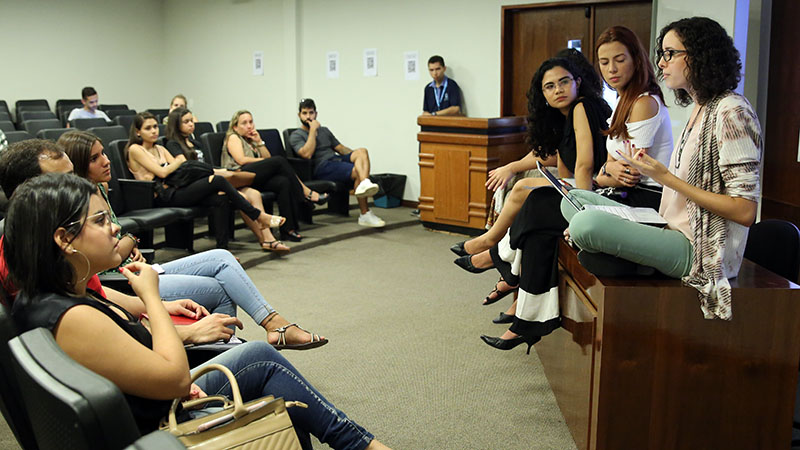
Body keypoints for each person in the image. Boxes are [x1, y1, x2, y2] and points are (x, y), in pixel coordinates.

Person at [5, 173, 390, 450]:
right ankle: (362, 445)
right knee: (262, 360)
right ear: (63, 239)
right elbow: (172, 379)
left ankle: (359, 444)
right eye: (101, 221)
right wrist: (153, 298)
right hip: (164, 429)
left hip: (150, 408)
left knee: (261, 362)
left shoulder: (54, 295)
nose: (113, 230)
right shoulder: (73, 318)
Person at [478, 27, 676, 351]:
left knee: (539, 205)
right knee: (540, 213)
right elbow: (609, 169)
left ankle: (505, 271)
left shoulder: (642, 103)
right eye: (604, 62)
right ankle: (528, 315)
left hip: (645, 201)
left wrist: (606, 172)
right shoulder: (626, 101)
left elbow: (626, 175)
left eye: (619, 60)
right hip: (625, 193)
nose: (611, 69)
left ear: (636, 60)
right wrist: (608, 171)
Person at [563, 16, 761, 321]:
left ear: (698, 55)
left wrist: (665, 178)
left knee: (585, 226)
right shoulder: (700, 108)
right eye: (662, 54)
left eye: (671, 54)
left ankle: (633, 258)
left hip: (700, 251)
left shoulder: (732, 111)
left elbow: (745, 211)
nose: (662, 62)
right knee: (573, 201)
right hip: (665, 224)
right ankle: (635, 258)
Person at [60, 130, 327, 348]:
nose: (106, 160)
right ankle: (225, 351)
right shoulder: (78, 202)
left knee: (222, 259)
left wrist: (126, 243)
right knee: (220, 287)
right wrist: (128, 242)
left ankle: (270, 325)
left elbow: (119, 241)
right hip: (122, 282)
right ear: (78, 165)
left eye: (104, 153)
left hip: (134, 269)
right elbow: (116, 248)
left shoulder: (97, 190)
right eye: (96, 158)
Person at [452, 53, 611, 258]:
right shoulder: (564, 117)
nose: (558, 90)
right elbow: (564, 167)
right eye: (550, 86)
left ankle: (491, 244)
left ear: (577, 82)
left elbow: (584, 166)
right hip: (582, 184)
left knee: (524, 191)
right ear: (543, 93)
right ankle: (493, 247)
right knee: (522, 188)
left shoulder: (581, 107)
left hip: (595, 187)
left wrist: (580, 208)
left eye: (564, 82)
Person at [125, 112, 277, 249]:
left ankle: (222, 249)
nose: (153, 131)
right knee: (217, 180)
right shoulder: (135, 149)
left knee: (220, 197)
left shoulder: (160, 149)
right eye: (148, 128)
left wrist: (176, 163)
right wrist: (176, 163)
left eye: (155, 127)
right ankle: (258, 216)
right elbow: (163, 172)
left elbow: (180, 167)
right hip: (162, 196)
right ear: (138, 131)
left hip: (177, 189)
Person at [165, 108, 290, 252]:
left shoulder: (196, 143)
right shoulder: (172, 144)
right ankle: (260, 222)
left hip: (207, 181)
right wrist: (216, 171)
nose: (191, 124)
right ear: (176, 124)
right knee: (238, 194)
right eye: (186, 122)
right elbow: (187, 167)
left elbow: (205, 165)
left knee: (253, 194)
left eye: (191, 121)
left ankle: (267, 239)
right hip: (192, 186)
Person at [223, 110, 330, 242]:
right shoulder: (234, 137)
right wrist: (267, 162)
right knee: (279, 161)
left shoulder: (251, 139)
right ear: (235, 127)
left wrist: (259, 142)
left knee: (283, 182)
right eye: (244, 123)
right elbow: (241, 160)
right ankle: (305, 194)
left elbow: (267, 157)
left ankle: (287, 229)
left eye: (251, 122)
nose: (249, 126)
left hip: (252, 176)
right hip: (239, 175)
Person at [289, 98, 385, 227]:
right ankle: (365, 213)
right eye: (304, 113)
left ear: (316, 114)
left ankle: (364, 182)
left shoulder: (325, 131)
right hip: (321, 167)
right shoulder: (296, 135)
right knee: (357, 172)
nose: (308, 116)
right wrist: (313, 131)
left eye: (311, 113)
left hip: (335, 160)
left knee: (362, 151)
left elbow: (341, 149)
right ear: (299, 115)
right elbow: (307, 154)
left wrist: (358, 158)